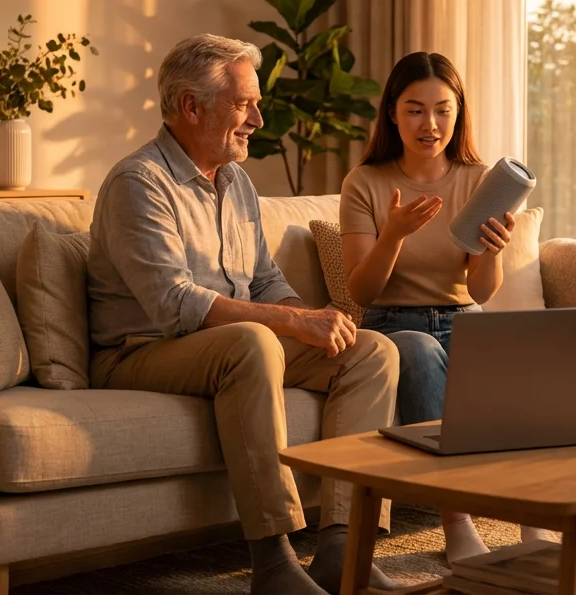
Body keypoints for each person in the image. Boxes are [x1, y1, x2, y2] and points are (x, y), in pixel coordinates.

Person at [87, 34, 401, 595]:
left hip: (221, 345)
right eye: (243, 103)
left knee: (371, 351)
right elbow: (175, 304)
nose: (258, 118)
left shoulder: (236, 182)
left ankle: (342, 548)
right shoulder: (138, 183)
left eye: (255, 103)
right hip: (138, 350)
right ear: (191, 106)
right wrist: (288, 324)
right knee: (253, 341)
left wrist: (311, 318)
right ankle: (274, 564)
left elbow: (264, 280)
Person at [338, 51, 523, 565]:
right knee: (419, 351)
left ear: (458, 113)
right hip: (392, 325)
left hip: (464, 318)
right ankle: (457, 521)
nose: (430, 124)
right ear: (392, 113)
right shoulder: (366, 183)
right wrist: (393, 234)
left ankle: (536, 517)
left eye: (443, 109)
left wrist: (492, 250)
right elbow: (362, 291)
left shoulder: (478, 180)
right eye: (415, 109)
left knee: (522, 357)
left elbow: (481, 292)